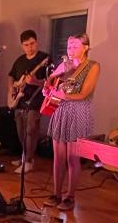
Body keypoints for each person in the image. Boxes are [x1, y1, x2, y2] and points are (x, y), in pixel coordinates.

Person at [43, 34, 100, 211]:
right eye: (69, 46)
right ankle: (56, 193)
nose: (71, 50)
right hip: (60, 111)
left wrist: (62, 95)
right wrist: (48, 88)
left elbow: (84, 93)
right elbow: (50, 80)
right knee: (58, 158)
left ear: (86, 47)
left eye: (75, 46)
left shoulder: (93, 66)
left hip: (78, 112)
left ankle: (70, 197)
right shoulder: (65, 64)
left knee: (72, 158)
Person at [7, 29, 50, 175]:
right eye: (26, 45)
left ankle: (29, 162)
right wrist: (11, 88)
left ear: (36, 42)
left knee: (31, 130)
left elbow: (52, 82)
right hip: (19, 100)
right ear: (22, 46)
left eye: (32, 43)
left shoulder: (45, 59)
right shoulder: (19, 61)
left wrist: (36, 81)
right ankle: (24, 156)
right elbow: (11, 76)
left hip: (36, 100)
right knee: (21, 131)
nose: (30, 47)